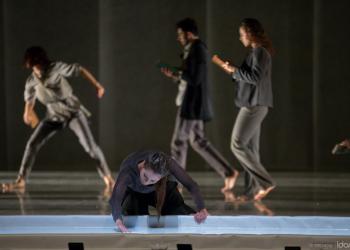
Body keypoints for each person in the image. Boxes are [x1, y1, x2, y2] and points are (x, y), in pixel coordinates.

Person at [1, 46, 115, 191]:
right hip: (54, 116)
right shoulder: (31, 80)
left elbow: (79, 69)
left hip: (73, 113)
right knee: (32, 144)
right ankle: (21, 180)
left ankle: (109, 179)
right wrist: (27, 113)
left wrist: (97, 85)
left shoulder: (55, 68)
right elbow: (29, 99)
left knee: (91, 147)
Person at [160, 18, 239, 193]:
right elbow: (189, 78)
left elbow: (195, 78)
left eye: (180, 34)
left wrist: (179, 72)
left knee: (179, 142)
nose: (178, 38)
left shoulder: (198, 49)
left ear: (188, 34)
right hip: (190, 102)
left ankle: (175, 184)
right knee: (197, 141)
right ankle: (228, 172)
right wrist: (175, 75)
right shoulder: (192, 49)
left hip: (191, 104)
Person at [219, 18, 276, 201]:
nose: (240, 38)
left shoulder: (260, 52)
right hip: (256, 104)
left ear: (250, 34)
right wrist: (233, 70)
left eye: (242, 34)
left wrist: (235, 71)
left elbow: (255, 77)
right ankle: (252, 191)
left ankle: (266, 182)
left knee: (237, 144)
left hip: (254, 105)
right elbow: (250, 76)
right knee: (251, 148)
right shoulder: (257, 52)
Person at [109, 151, 209, 233]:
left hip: (160, 190)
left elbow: (191, 185)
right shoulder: (128, 170)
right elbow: (115, 198)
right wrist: (118, 221)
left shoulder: (169, 164)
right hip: (135, 193)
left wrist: (201, 208)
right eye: (145, 176)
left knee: (179, 212)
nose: (146, 182)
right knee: (131, 219)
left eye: (152, 180)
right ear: (142, 165)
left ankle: (186, 212)